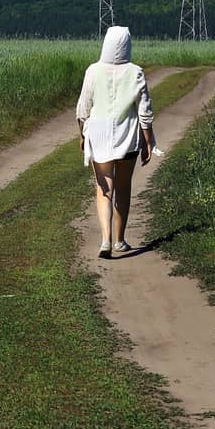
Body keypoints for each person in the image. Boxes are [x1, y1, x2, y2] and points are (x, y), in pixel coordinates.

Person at [75, 25, 156, 258]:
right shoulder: (136, 72)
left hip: (98, 134)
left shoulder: (93, 70)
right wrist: (148, 141)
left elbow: (83, 109)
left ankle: (105, 240)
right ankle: (120, 241)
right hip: (127, 136)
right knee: (123, 187)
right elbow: (145, 112)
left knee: (103, 189)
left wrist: (83, 135)